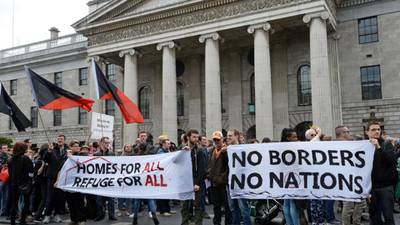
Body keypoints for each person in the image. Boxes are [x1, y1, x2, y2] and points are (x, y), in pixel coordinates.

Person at [366, 121, 397, 225]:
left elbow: (391, 160)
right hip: (371, 188)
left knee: (388, 216)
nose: (377, 131)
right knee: (374, 217)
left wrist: (378, 147)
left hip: (386, 187)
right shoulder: (363, 146)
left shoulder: (387, 144)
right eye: (373, 130)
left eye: (378, 129)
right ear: (367, 132)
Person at [336, 126, 363, 225]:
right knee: (348, 204)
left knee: (359, 202)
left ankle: (356, 222)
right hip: (345, 179)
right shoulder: (335, 145)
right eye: (347, 132)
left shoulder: (351, 144)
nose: (349, 133)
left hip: (356, 177)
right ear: (342, 133)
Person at [226, 129, 252, 225]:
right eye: (228, 135)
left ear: (236, 136)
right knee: (233, 208)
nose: (228, 137)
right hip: (230, 183)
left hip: (241, 183)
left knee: (243, 208)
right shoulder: (227, 149)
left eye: (230, 136)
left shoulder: (242, 148)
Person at [181, 129, 206, 225]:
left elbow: (202, 169)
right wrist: (183, 152)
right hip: (184, 182)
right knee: (185, 206)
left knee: (198, 206)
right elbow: (175, 162)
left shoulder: (199, 151)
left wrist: (197, 183)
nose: (196, 139)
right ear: (188, 137)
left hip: (197, 182)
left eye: (197, 137)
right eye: (194, 137)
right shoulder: (182, 149)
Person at [132, 142, 160, 225]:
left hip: (139, 180)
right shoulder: (150, 157)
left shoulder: (136, 157)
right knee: (150, 199)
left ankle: (135, 217)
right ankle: (154, 213)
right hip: (148, 180)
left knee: (137, 200)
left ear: (139, 148)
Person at [208, 131, 232, 225]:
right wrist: (208, 174)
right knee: (216, 206)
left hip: (223, 182)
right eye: (215, 140)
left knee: (227, 206)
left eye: (218, 140)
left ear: (222, 139)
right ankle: (216, 223)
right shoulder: (211, 151)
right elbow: (209, 164)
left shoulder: (227, 150)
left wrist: (225, 152)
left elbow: (229, 166)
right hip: (214, 182)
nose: (216, 142)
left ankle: (228, 223)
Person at [9, 142, 34, 225]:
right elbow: (31, 171)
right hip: (25, 183)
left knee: (14, 203)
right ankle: (22, 220)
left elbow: (10, 173)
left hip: (14, 184)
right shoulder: (25, 158)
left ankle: (12, 221)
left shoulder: (10, 159)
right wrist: (30, 179)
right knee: (26, 202)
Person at [94, 137, 117, 221]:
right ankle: (100, 214)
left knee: (111, 199)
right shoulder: (96, 154)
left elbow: (116, 165)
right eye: (105, 142)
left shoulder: (112, 154)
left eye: (108, 143)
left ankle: (112, 215)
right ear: (101, 143)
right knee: (99, 199)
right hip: (99, 180)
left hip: (109, 179)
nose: (107, 144)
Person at [281, 128, 301, 225]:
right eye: (294, 137)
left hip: (284, 177)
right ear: (288, 138)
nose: (296, 138)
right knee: (293, 203)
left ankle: (289, 223)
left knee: (287, 202)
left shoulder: (280, 147)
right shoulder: (292, 148)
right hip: (293, 177)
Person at [65, 141, 86, 225]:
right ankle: (73, 219)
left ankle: (82, 219)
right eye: (75, 146)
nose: (78, 148)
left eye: (78, 146)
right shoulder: (65, 156)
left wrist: (71, 157)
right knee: (70, 202)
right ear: (71, 147)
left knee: (79, 202)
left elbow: (81, 164)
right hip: (68, 182)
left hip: (78, 182)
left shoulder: (82, 155)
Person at [118, 144, 134, 217]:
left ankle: (127, 210)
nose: (128, 148)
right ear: (124, 148)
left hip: (130, 178)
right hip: (121, 178)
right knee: (120, 196)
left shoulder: (134, 157)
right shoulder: (120, 157)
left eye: (129, 146)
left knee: (129, 196)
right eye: (126, 146)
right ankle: (120, 210)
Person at [33, 144, 47, 222]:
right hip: (40, 182)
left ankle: (38, 214)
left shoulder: (41, 160)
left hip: (41, 182)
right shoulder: (40, 161)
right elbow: (38, 173)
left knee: (41, 198)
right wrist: (43, 165)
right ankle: (37, 215)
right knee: (42, 199)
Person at [0, 144, 9, 217]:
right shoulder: (0, 156)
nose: (5, 149)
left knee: (6, 195)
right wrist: (4, 166)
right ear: (1, 149)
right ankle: (1, 210)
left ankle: (4, 210)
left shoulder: (9, 156)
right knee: (1, 195)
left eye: (6, 148)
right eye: (3, 148)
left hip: (7, 178)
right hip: (1, 178)